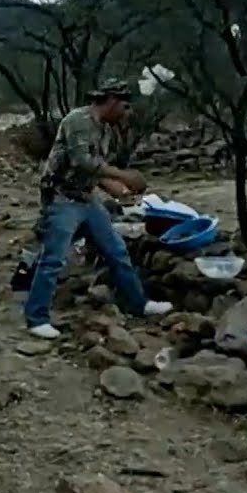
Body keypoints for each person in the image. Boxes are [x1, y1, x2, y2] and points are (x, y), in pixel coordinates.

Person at [22, 79, 173, 340]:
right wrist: (125, 177)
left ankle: (139, 304)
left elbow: (96, 167)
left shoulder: (103, 129)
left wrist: (113, 186)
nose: (127, 113)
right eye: (124, 107)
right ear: (112, 100)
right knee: (53, 258)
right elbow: (82, 161)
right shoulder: (78, 121)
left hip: (86, 197)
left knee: (116, 251)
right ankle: (37, 318)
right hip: (62, 198)